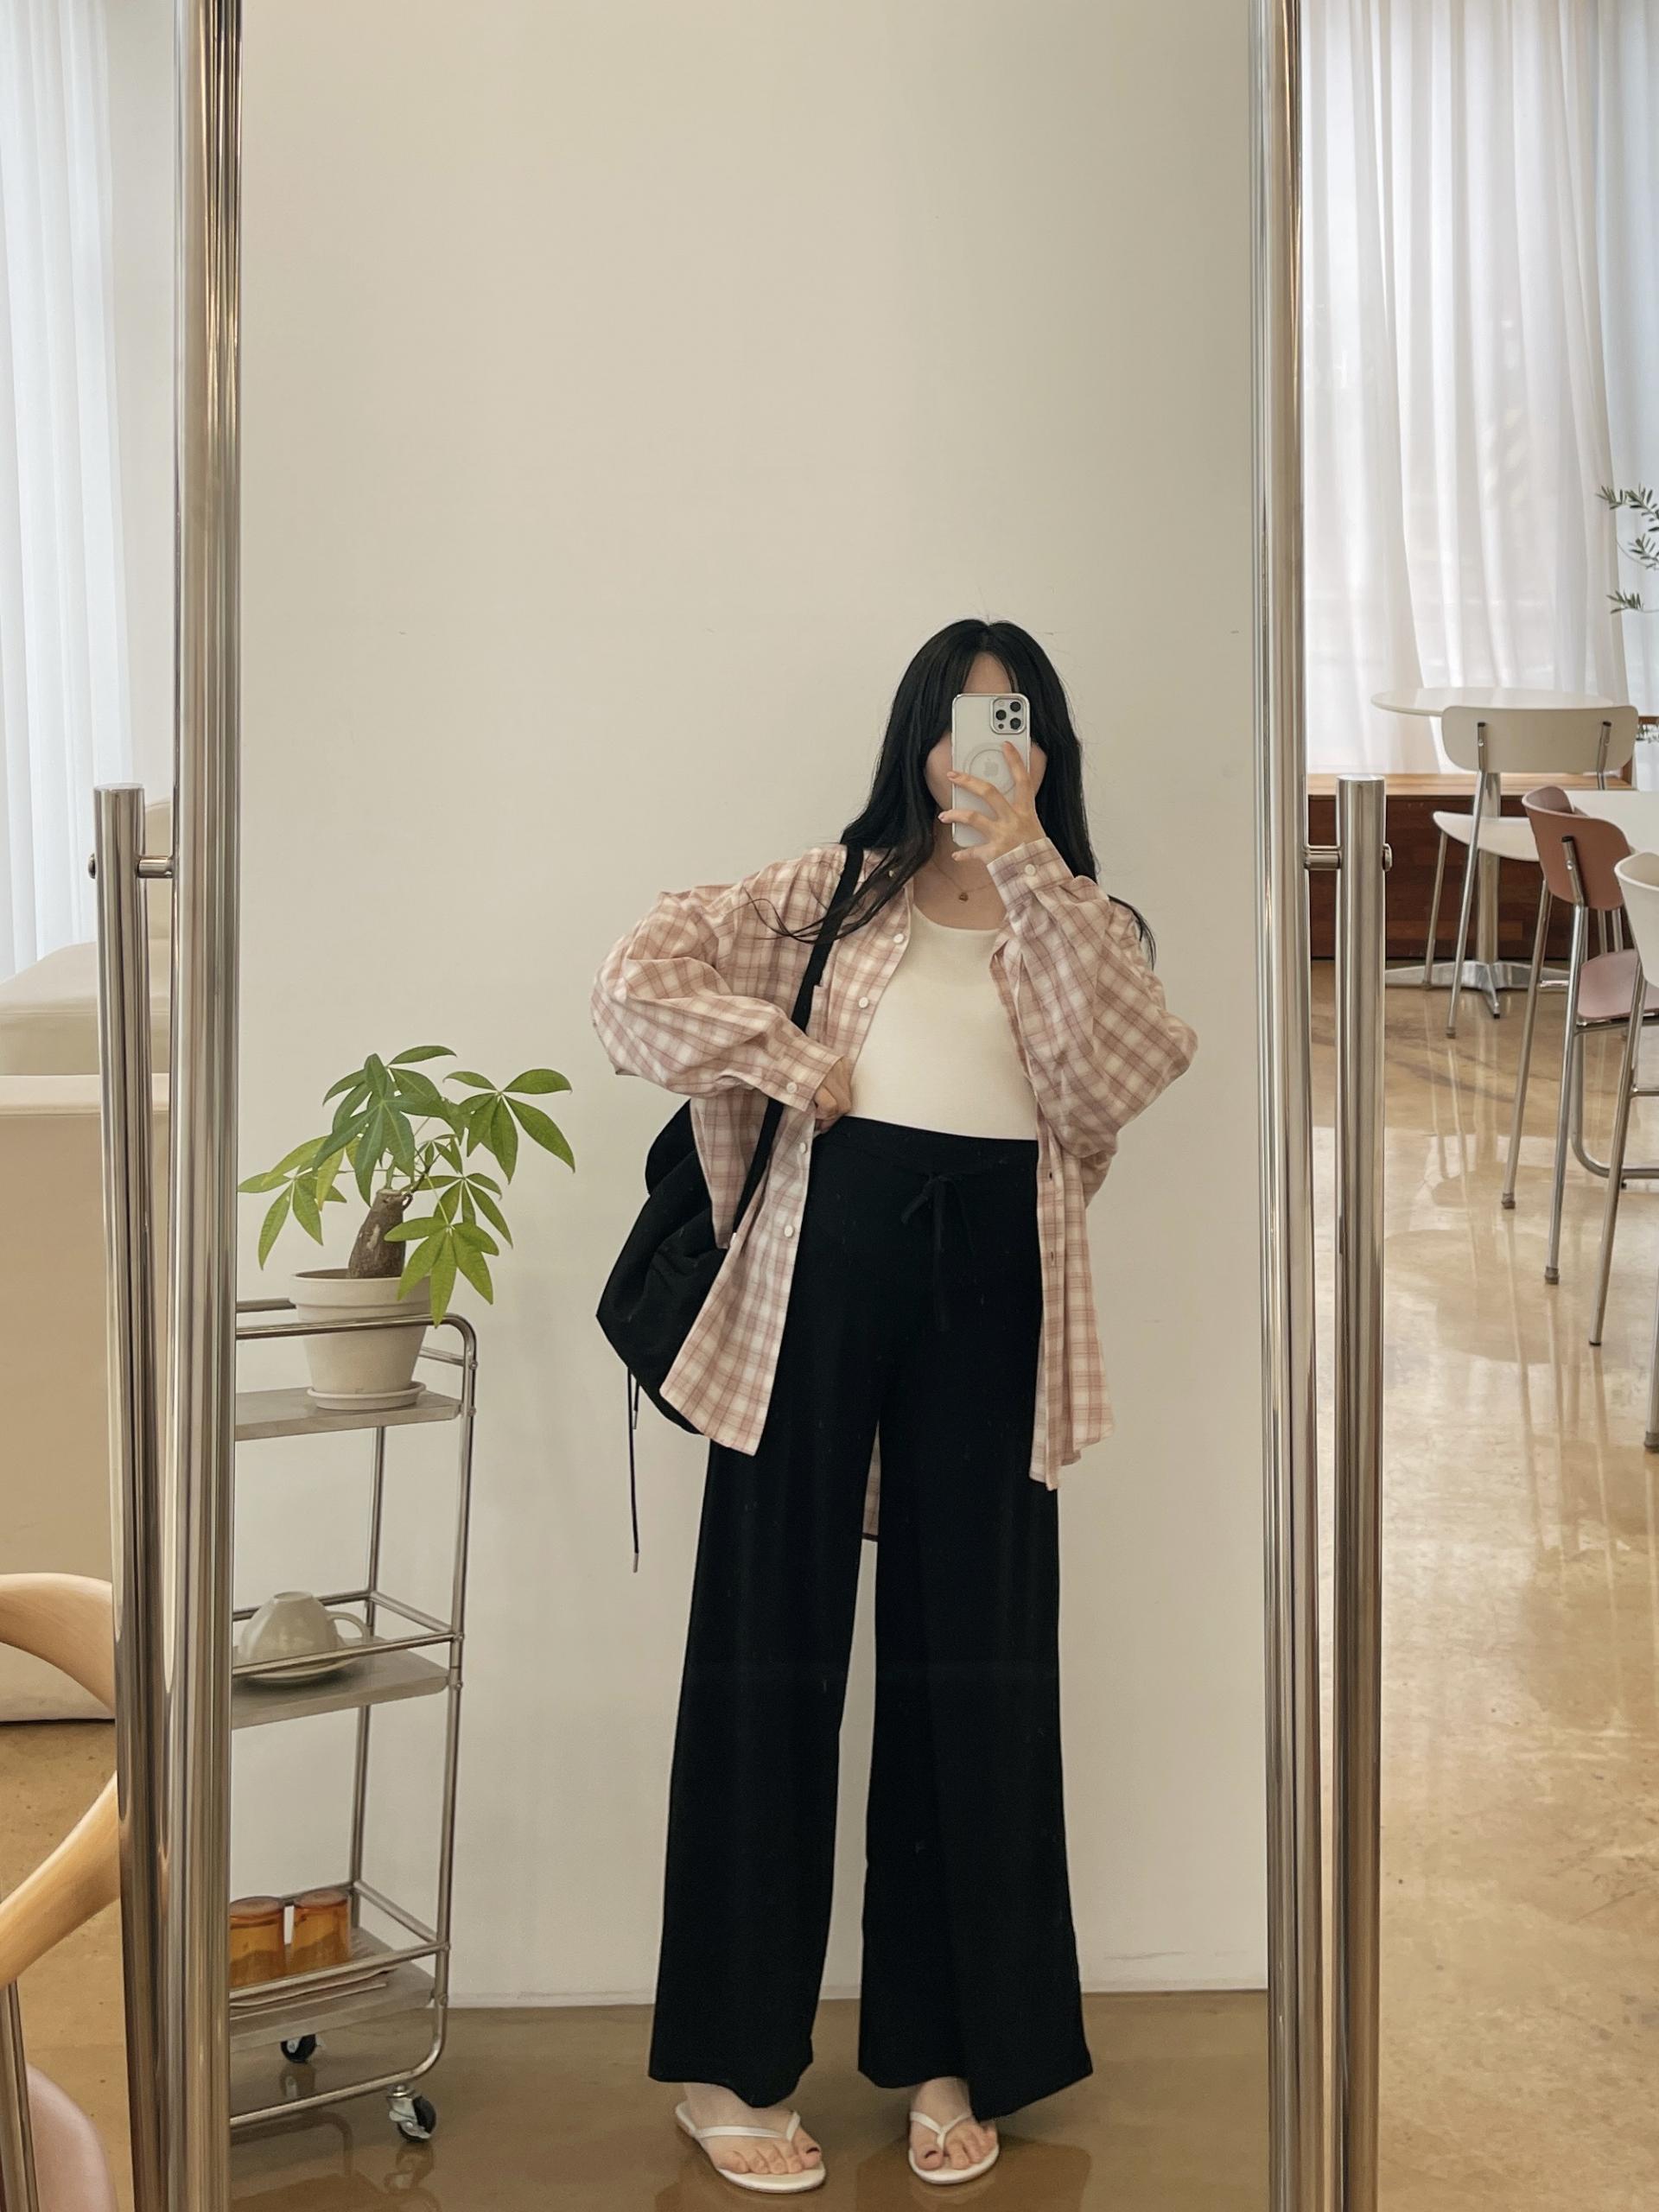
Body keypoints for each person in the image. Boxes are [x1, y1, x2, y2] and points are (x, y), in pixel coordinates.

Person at [589, 620, 1198, 2193]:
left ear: (1046, 746)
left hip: (996, 1304)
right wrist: (784, 1057)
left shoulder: (1087, 918)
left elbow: (1118, 1080)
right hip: (805, 1294)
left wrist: (1029, 864)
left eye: (1013, 719)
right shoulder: (827, 891)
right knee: (767, 1657)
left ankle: (950, 2048)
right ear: (914, 737)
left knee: (972, 1667)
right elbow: (633, 981)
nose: (983, 745)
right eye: (959, 717)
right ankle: (729, 2068)